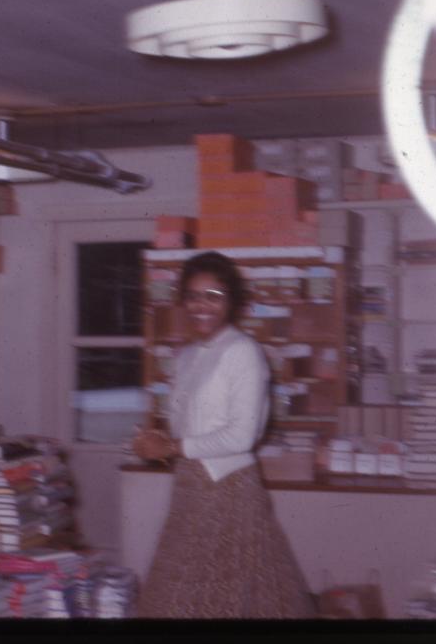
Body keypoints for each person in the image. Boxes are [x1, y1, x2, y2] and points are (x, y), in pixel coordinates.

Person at [133, 250, 314, 618]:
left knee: (212, 599)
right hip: (190, 487)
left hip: (228, 489)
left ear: (231, 302)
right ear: (183, 300)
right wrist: (156, 443)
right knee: (182, 595)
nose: (203, 305)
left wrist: (173, 445)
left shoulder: (243, 352)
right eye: (194, 296)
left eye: (214, 296)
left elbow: (241, 437)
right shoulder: (185, 356)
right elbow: (187, 426)